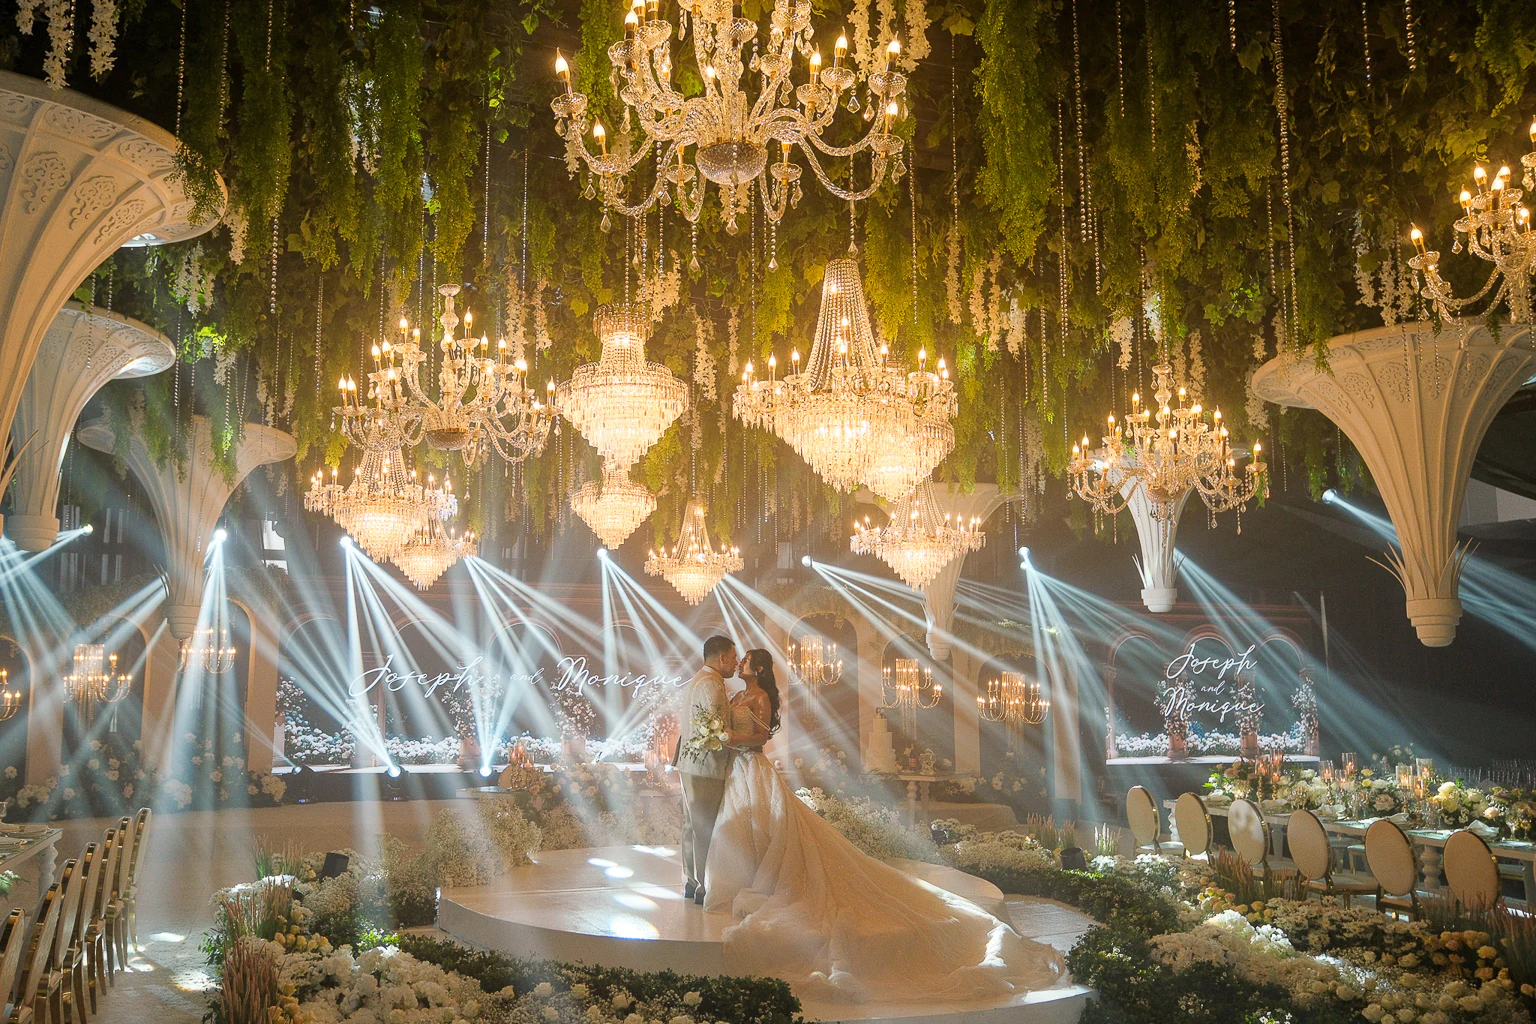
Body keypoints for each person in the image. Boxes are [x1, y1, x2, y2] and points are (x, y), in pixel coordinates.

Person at [703, 648, 1063, 1004]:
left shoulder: (762, 696)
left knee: (767, 827)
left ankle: (765, 878)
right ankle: (745, 876)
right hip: (738, 770)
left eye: (746, 658)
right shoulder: (738, 693)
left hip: (754, 766)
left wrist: (730, 738)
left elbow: (761, 738)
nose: (740, 661)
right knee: (741, 829)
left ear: (759, 667)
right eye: (739, 657)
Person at [673, 634, 737, 904]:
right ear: (721, 658)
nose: (735, 664)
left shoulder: (700, 678)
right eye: (733, 659)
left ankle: (691, 880)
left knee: (692, 825)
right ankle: (701, 885)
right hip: (704, 766)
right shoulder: (711, 683)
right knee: (703, 826)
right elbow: (715, 728)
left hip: (690, 763)